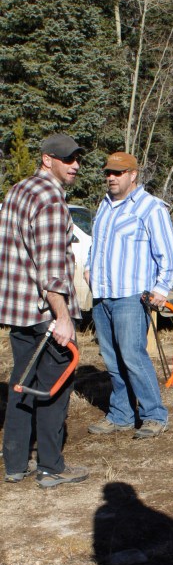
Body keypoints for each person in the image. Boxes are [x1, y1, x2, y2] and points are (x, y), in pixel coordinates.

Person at [0, 134, 89, 488]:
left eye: (77, 159)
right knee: (54, 388)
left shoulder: (17, 191)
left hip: (18, 310)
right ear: (47, 159)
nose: (75, 166)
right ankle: (51, 467)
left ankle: (14, 463)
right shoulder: (51, 199)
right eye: (67, 159)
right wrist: (63, 317)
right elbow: (52, 270)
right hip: (44, 313)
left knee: (21, 384)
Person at [86, 152, 173, 439]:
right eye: (108, 173)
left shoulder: (150, 208)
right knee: (112, 360)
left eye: (118, 173)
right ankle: (122, 414)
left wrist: (161, 288)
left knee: (132, 356)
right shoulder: (104, 206)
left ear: (133, 175)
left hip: (130, 295)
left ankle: (154, 415)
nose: (111, 178)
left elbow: (168, 254)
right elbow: (96, 246)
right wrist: (89, 269)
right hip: (102, 295)